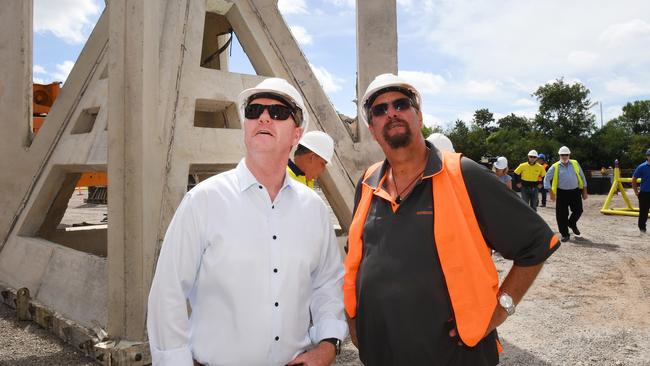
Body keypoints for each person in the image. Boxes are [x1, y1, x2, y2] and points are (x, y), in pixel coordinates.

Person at [343, 73, 560, 366]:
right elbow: (359, 259)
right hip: (381, 351)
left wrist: (499, 311)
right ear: (372, 128)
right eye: (379, 110)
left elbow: (535, 245)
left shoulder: (464, 175)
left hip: (452, 355)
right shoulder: (368, 182)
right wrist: (354, 319)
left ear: (419, 116)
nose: (391, 113)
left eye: (400, 104)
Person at [147, 78, 347, 366]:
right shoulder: (203, 200)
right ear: (246, 127)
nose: (263, 117)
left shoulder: (314, 210)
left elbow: (327, 284)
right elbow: (167, 293)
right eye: (254, 111)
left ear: (296, 135)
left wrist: (328, 345)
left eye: (278, 113)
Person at [543, 146, 588, 242]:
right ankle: (565, 234)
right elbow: (546, 179)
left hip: (575, 191)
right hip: (561, 193)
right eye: (562, 155)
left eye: (566, 155)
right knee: (561, 215)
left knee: (578, 210)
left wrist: (584, 190)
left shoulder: (575, 163)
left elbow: (582, 176)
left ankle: (571, 223)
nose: (564, 156)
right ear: (559, 155)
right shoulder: (555, 166)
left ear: (569, 155)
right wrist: (550, 192)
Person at [631, 148, 650, 234]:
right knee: (643, 212)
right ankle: (642, 229)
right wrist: (636, 191)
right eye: (649, 155)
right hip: (644, 193)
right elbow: (634, 179)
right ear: (647, 156)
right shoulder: (642, 167)